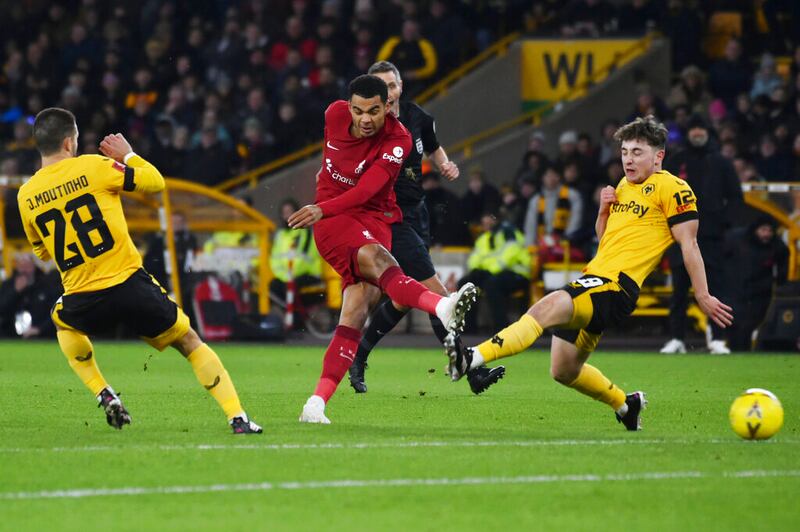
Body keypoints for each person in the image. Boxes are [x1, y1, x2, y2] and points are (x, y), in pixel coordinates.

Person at [444, 116, 733, 431]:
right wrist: (602, 211)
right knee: (563, 370)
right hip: (596, 280)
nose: (628, 159)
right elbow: (605, 237)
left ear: (658, 156)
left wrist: (702, 294)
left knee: (543, 308)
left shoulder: (674, 188)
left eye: (637, 152)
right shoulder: (623, 186)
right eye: (624, 151)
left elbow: (689, 245)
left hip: (615, 286)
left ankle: (471, 358)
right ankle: (626, 404)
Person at [17, 107, 261, 434]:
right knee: (189, 342)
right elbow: (154, 182)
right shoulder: (94, 166)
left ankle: (104, 393)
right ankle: (238, 418)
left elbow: (42, 251)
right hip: (129, 284)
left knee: (62, 321)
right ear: (68, 143)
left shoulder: (26, 195)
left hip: (83, 297)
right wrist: (129, 154)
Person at [288, 75, 478, 424]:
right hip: (334, 219)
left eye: (374, 111)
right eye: (358, 111)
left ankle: (315, 404)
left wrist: (320, 205)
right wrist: (323, 202)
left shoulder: (399, 139)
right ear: (347, 107)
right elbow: (337, 162)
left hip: (372, 216)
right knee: (381, 261)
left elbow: (366, 191)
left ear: (387, 108)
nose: (365, 119)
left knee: (356, 311)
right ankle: (442, 306)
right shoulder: (332, 115)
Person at [347, 61, 504, 395]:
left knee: (405, 299)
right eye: (380, 87)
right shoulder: (369, 126)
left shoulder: (418, 119)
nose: (386, 93)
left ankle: (358, 357)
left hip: (418, 215)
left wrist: (444, 164)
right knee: (434, 294)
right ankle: (471, 370)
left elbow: (432, 148)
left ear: (400, 87)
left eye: (391, 86)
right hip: (390, 218)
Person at [660, 114, 743, 354]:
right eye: (693, 128)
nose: (697, 132)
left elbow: (736, 198)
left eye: (701, 128)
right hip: (679, 237)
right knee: (679, 291)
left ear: (707, 133)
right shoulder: (676, 160)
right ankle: (676, 338)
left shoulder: (721, 162)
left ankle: (716, 338)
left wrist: (722, 223)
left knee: (715, 287)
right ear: (688, 133)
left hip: (712, 239)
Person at [725, 216, 788, 351]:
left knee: (750, 324)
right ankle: (736, 351)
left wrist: (781, 281)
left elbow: (783, 263)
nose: (766, 234)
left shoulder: (776, 245)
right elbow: (720, 256)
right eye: (763, 230)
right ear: (755, 230)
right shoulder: (736, 239)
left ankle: (743, 351)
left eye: (770, 231)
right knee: (735, 325)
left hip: (761, 293)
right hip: (735, 289)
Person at [459, 213, 530, 332]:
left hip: (516, 273)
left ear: (495, 220)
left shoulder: (509, 233)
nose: (485, 225)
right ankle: (469, 327)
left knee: (492, 284)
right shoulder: (484, 238)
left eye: (488, 221)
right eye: (483, 222)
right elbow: (475, 257)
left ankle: (501, 327)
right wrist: (476, 271)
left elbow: (509, 256)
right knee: (466, 283)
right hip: (494, 273)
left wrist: (490, 271)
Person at [269, 198, 323, 326]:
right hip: (286, 275)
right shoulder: (280, 235)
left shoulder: (306, 233)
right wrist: (284, 275)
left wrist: (290, 275)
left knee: (292, 288)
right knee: (273, 287)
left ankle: (297, 321)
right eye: (284, 212)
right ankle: (294, 319)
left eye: (289, 211)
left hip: (308, 273)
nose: (287, 215)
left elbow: (304, 259)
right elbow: (274, 258)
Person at [0, 253, 61, 338]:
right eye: (21, 266)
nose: (24, 270)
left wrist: (39, 329)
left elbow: (54, 311)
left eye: (27, 266)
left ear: (34, 267)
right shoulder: (8, 285)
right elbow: (2, 310)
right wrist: (15, 292)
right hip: (11, 335)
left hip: (41, 335)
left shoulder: (46, 285)